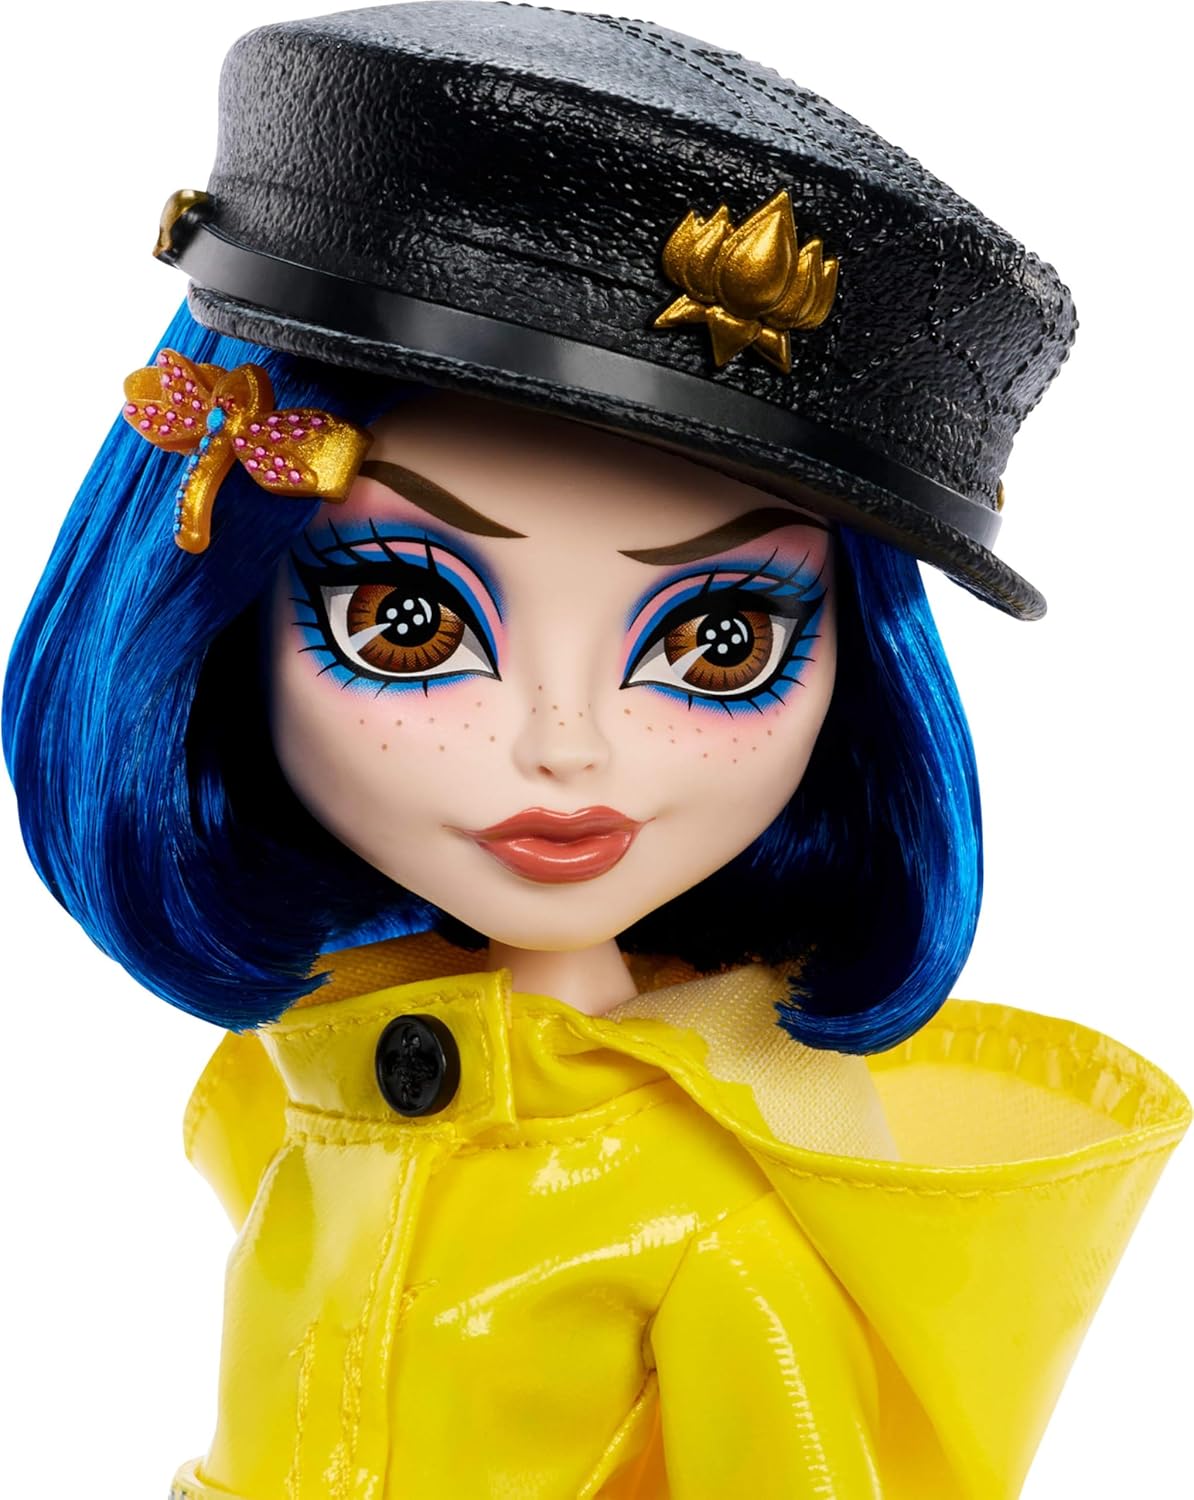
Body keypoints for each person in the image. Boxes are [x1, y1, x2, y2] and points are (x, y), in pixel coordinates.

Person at [3, 4, 1188, 1497]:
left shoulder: (709, 1226)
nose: (566, 747)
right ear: (210, 601)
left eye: (718, 640)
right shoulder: (295, 1089)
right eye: (409, 620)